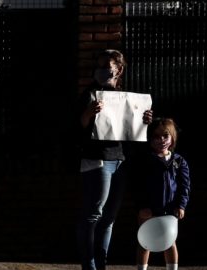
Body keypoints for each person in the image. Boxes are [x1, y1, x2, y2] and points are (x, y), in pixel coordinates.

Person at [76, 49, 152, 270]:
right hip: (97, 160)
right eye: (99, 66)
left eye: (106, 66)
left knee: (109, 218)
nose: (101, 70)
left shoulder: (125, 98)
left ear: (118, 70)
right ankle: (89, 265)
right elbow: (76, 127)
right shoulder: (90, 94)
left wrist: (145, 120)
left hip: (119, 160)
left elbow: (133, 131)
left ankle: (100, 264)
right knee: (93, 215)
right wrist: (88, 113)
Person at [134, 118, 190, 270]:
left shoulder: (179, 161)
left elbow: (185, 186)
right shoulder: (145, 160)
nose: (161, 140)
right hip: (148, 210)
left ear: (172, 137)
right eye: (156, 136)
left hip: (170, 210)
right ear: (150, 139)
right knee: (144, 242)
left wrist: (181, 205)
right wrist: (142, 206)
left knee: (170, 242)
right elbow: (138, 185)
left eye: (165, 135)